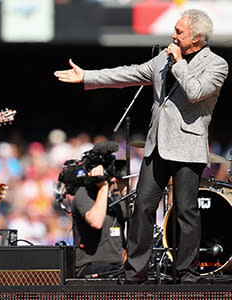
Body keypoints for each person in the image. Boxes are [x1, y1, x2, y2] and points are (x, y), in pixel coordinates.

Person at [54, 9, 228, 284]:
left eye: (179, 32)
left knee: (186, 211)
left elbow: (195, 92)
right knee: (142, 207)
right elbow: (130, 74)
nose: (173, 35)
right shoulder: (163, 58)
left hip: (187, 147)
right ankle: (136, 271)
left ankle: (187, 274)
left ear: (197, 38)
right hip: (156, 145)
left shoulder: (216, 64)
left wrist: (179, 63)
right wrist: (87, 76)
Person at [71, 165, 127, 279]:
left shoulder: (116, 198)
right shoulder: (84, 194)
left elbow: (139, 220)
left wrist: (124, 187)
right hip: (91, 266)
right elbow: (96, 222)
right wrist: (103, 186)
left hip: (117, 266)